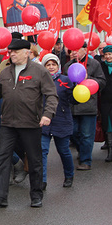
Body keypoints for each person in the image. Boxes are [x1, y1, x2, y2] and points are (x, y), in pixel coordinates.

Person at [0, 39, 58, 208]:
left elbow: (52, 95)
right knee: (2, 159)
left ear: (27, 52)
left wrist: (47, 114)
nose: (12, 54)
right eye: (11, 52)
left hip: (31, 123)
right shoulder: (5, 72)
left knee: (34, 160)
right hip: (8, 122)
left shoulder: (39, 71)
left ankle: (36, 195)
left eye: (16, 52)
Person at [63, 43, 106, 170]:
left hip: (88, 105)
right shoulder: (68, 66)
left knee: (87, 135)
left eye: (78, 49)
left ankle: (86, 160)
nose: (74, 52)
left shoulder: (94, 64)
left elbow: (102, 82)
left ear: (85, 50)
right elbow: (64, 83)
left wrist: (89, 79)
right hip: (72, 105)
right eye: (72, 50)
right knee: (73, 132)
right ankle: (82, 150)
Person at [40, 53, 75, 189]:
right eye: (48, 65)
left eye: (53, 64)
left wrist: (78, 89)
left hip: (62, 120)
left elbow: (74, 100)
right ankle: (42, 180)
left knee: (64, 151)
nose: (51, 67)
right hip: (44, 120)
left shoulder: (66, 80)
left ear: (58, 66)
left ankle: (69, 175)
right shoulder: (40, 80)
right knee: (42, 151)